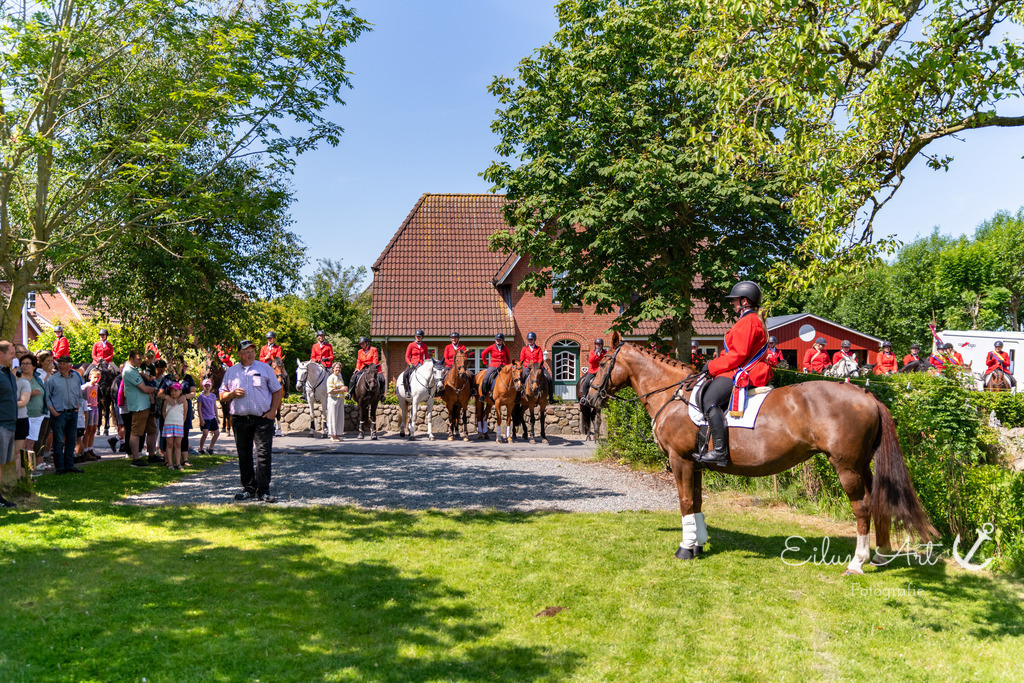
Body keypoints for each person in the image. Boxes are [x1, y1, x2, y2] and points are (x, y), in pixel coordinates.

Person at [700, 281, 772, 467]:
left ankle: (719, 451)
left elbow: (738, 356)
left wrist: (712, 365)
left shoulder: (748, 321)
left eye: (735, 301)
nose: (733, 304)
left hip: (743, 371)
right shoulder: (749, 320)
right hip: (738, 367)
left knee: (710, 400)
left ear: (745, 301)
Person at [220, 339, 283, 503]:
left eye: (252, 351)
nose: (250, 354)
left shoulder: (264, 368)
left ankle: (264, 490)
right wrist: (232, 394)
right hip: (240, 420)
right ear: (240, 354)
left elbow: (277, 391)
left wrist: (272, 413)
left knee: (263, 454)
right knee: (244, 455)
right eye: (246, 351)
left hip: (262, 419)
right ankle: (248, 488)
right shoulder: (232, 371)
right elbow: (222, 395)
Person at [45, 354, 85, 475]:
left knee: (71, 440)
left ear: (69, 366)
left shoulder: (75, 378)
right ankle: (60, 467)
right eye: (59, 364)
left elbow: (79, 393)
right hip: (59, 414)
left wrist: (78, 405)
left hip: (72, 413)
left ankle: (70, 465)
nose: (61, 366)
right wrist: (52, 411)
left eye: (64, 364)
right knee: (58, 442)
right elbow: (47, 397)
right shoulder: (52, 379)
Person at [121, 350, 158, 467]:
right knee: (136, 432)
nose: (141, 361)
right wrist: (155, 389)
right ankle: (135, 459)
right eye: (138, 359)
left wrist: (143, 374)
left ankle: (152, 456)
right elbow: (144, 389)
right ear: (131, 358)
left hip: (146, 404)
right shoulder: (128, 370)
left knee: (152, 430)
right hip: (138, 406)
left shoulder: (135, 370)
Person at [20, 355, 47, 474]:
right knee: (23, 444)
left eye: (27, 363)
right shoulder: (19, 380)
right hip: (25, 415)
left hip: (38, 415)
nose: (24, 366)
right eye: (23, 364)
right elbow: (16, 396)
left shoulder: (37, 379)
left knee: (31, 444)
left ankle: (31, 469)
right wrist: (30, 393)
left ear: (34, 366)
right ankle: (22, 470)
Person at [0, 341, 19, 506]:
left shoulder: (8, 373)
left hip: (9, 424)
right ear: (1, 354)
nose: (14, 357)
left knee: (2, 463)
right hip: (1, 424)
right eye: (11, 353)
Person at [520, 332, 554, 401]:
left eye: (531, 339)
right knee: (521, 378)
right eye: (529, 339)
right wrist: (527, 365)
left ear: (534, 340)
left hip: (538, 367)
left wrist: (537, 366)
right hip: (527, 367)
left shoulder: (538, 349)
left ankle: (551, 397)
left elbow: (541, 358)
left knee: (549, 378)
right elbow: (522, 359)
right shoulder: (524, 349)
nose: (530, 341)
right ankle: (519, 396)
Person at [162, 383, 187, 470]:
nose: (173, 393)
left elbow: (185, 414)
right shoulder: (167, 401)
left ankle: (178, 463)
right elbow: (163, 412)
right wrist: (167, 420)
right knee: (169, 444)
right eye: (172, 391)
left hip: (179, 425)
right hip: (169, 424)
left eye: (176, 391)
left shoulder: (184, 401)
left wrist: (181, 422)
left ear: (180, 391)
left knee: (178, 444)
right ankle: (170, 463)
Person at [80, 369, 101, 460]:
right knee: (88, 430)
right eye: (95, 377)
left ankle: (90, 449)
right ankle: (84, 451)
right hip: (88, 408)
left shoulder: (96, 386)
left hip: (95, 407)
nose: (96, 379)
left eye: (98, 377)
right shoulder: (85, 387)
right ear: (90, 377)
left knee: (93, 430)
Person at [197, 379, 220, 454]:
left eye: (208, 386)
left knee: (217, 433)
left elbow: (215, 407)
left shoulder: (213, 396)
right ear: (203, 386)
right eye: (205, 386)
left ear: (211, 386)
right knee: (205, 433)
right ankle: (200, 448)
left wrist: (217, 417)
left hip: (212, 417)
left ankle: (210, 448)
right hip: (205, 418)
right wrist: (201, 419)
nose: (207, 387)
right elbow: (199, 408)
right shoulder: (201, 397)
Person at [327, 361, 348, 442]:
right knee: (332, 417)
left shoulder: (340, 377)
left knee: (339, 418)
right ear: (333, 369)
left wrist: (344, 389)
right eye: (336, 368)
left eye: (339, 368)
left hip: (340, 399)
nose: (338, 369)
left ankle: (337, 434)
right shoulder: (330, 378)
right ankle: (332, 435)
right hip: (333, 400)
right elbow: (330, 391)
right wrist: (341, 389)